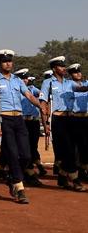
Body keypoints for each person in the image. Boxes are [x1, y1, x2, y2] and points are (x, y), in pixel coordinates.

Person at [0, 49, 43, 204]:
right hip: (5, 119)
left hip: (19, 119)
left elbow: (29, 95)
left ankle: (12, 177)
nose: (8, 64)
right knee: (12, 153)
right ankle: (19, 188)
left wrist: (40, 105)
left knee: (26, 155)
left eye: (10, 61)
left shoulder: (17, 80)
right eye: (5, 61)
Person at [39, 56, 88, 192]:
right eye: (61, 66)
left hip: (71, 119)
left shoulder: (69, 83)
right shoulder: (48, 83)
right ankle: (75, 179)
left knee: (71, 148)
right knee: (68, 149)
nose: (64, 68)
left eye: (64, 66)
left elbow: (82, 89)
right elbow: (43, 102)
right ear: (54, 68)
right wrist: (45, 123)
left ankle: (62, 176)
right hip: (58, 119)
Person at [14, 69, 43, 186]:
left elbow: (42, 94)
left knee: (33, 146)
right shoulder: (16, 91)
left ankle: (27, 171)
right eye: (23, 78)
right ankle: (28, 172)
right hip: (22, 121)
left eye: (26, 78)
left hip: (34, 122)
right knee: (24, 148)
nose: (25, 80)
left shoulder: (32, 90)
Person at [67, 64, 88, 180]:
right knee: (76, 146)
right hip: (75, 118)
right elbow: (80, 89)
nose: (78, 74)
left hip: (86, 118)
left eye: (79, 71)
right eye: (75, 72)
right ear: (71, 74)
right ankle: (75, 171)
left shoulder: (86, 83)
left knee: (85, 146)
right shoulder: (69, 85)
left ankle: (83, 168)